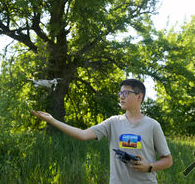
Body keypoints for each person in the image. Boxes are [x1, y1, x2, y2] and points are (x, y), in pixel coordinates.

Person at [31, 79, 172, 184]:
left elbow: (168, 160)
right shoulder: (113, 122)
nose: (121, 96)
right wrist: (53, 121)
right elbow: (83, 134)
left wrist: (149, 167)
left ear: (139, 96)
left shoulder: (152, 125)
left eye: (126, 93)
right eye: (120, 93)